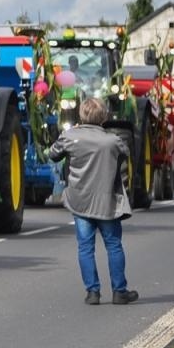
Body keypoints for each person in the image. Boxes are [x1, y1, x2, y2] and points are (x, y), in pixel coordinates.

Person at [44, 95, 137, 305]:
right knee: (113, 245)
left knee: (85, 247)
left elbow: (53, 154)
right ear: (103, 117)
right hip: (107, 201)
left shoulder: (71, 137)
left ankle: (93, 292)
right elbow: (125, 154)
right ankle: (119, 291)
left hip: (80, 201)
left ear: (81, 115)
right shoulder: (113, 141)